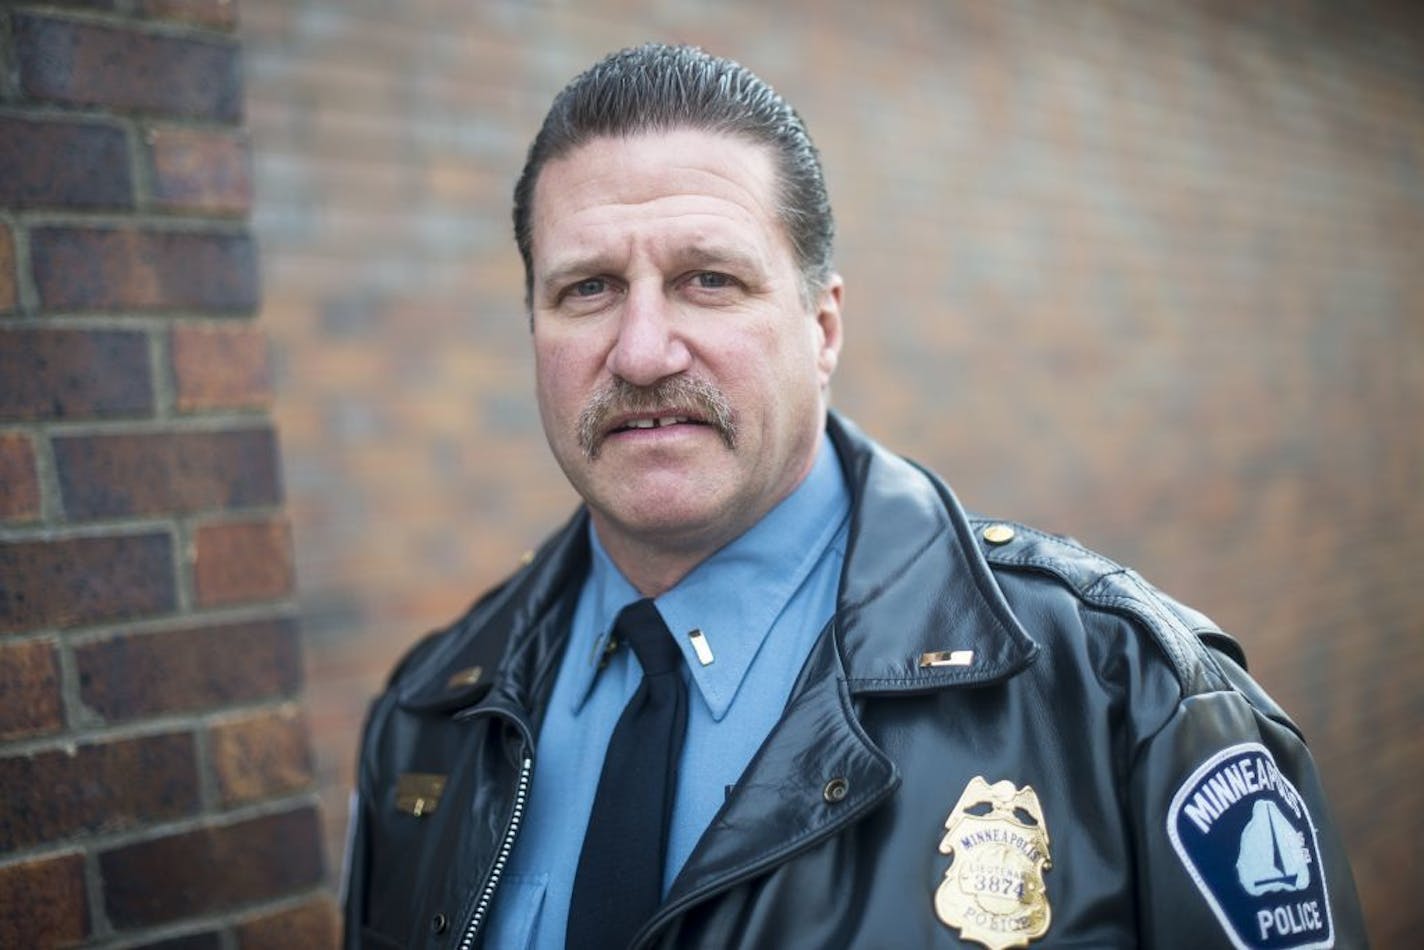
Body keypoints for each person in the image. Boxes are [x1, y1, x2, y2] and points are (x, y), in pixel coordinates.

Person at [341, 44, 1367, 950]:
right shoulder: (430, 718)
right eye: (587, 289)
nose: (643, 349)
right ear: (533, 329)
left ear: (822, 327)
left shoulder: (1124, 697)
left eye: (708, 279)